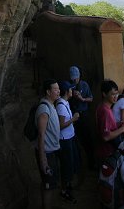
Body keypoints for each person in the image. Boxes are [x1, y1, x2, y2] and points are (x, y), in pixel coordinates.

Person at [36, 79, 62, 208]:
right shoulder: (44, 109)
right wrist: (43, 161)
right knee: (48, 186)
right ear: (48, 92)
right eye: (55, 89)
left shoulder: (51, 105)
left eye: (58, 88)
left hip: (52, 151)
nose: (58, 91)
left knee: (50, 184)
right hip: (47, 153)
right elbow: (41, 135)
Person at [56, 81, 80, 204]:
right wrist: (73, 119)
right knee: (66, 165)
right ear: (67, 92)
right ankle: (64, 190)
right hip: (64, 140)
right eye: (71, 89)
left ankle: (67, 185)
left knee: (70, 164)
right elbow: (60, 125)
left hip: (69, 137)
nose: (72, 91)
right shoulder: (60, 105)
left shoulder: (65, 102)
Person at [68, 65, 95, 168]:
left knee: (87, 139)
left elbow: (91, 98)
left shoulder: (84, 85)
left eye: (76, 78)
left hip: (84, 115)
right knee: (75, 140)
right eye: (73, 78)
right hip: (73, 116)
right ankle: (78, 163)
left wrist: (82, 99)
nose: (75, 80)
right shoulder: (69, 86)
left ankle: (90, 162)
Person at [95, 79, 124, 161]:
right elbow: (106, 136)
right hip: (107, 152)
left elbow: (110, 126)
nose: (116, 96)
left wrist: (121, 123)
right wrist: (122, 129)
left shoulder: (102, 106)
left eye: (117, 93)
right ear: (104, 94)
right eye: (113, 94)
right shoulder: (105, 111)